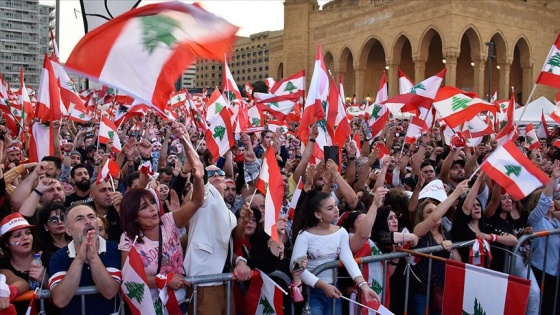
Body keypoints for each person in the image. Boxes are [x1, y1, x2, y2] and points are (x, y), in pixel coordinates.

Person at [118, 138, 204, 312]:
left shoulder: (169, 220)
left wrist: (198, 178)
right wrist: (164, 280)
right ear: (134, 217)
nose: (152, 208)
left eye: (152, 202)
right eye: (144, 207)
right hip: (149, 306)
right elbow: (130, 278)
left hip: (179, 301)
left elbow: (196, 202)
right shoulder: (128, 238)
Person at [290, 191, 379, 315]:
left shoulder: (341, 232)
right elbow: (296, 268)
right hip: (312, 292)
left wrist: (363, 285)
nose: (336, 210)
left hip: (334, 289)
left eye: (335, 206)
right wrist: (323, 286)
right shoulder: (304, 235)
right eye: (330, 208)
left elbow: (348, 259)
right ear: (318, 214)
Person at [48, 203, 122, 315]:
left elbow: (110, 292)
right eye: (79, 219)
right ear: (68, 230)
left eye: (91, 217)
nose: (88, 221)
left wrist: (93, 258)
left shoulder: (114, 248)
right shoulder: (58, 257)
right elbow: (60, 300)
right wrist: (79, 260)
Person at [411, 181, 467, 315]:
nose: (435, 214)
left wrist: (451, 247)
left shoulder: (446, 234)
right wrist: (455, 194)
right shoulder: (418, 232)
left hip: (443, 289)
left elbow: (458, 262)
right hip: (422, 292)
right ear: (422, 217)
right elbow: (432, 219)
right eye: (429, 211)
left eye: (436, 210)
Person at [526, 161, 560, 315]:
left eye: (552, 198)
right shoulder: (535, 219)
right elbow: (543, 203)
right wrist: (553, 180)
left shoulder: (555, 222)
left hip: (554, 273)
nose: (550, 201)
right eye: (547, 198)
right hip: (540, 270)